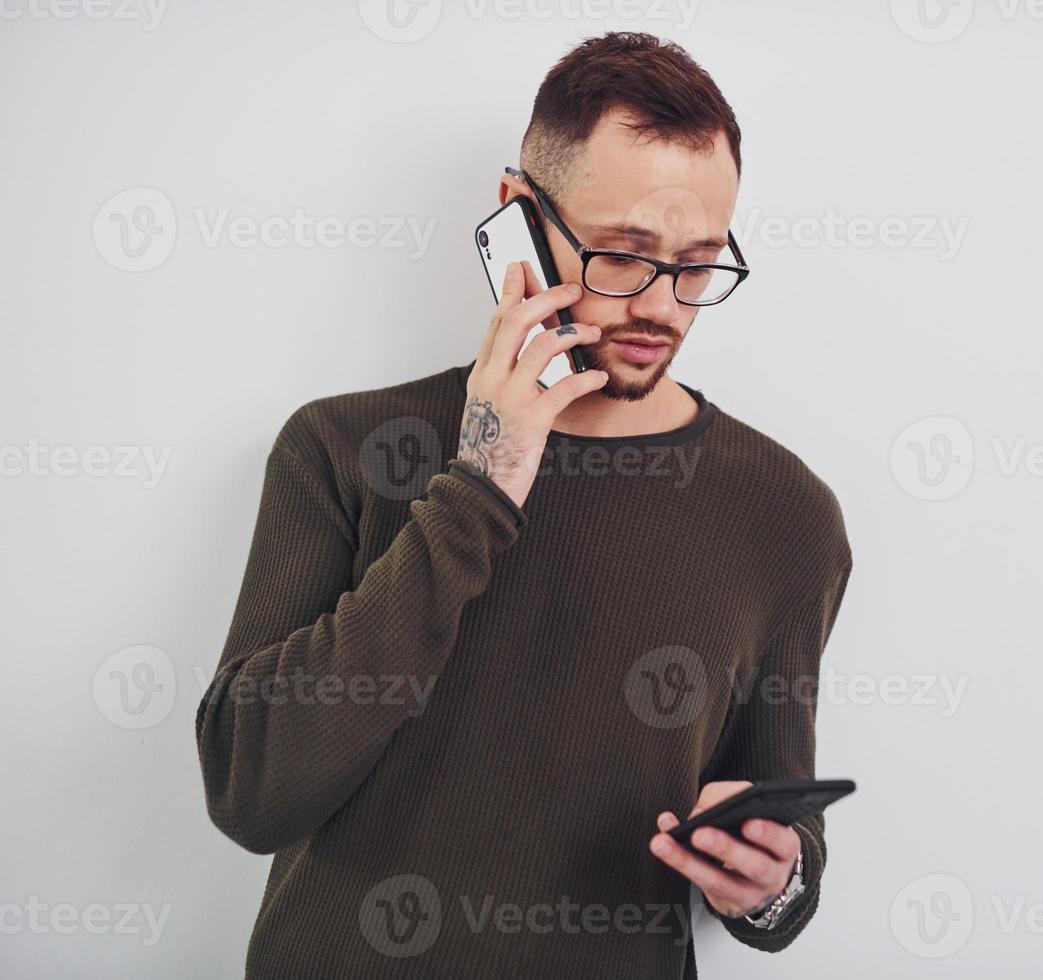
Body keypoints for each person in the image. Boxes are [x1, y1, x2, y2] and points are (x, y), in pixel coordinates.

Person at [195, 31, 853, 979]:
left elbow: (773, 856)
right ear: (517, 218)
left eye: (698, 263)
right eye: (622, 254)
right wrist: (480, 485)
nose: (662, 307)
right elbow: (249, 793)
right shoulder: (343, 449)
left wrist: (772, 881)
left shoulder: (783, 512)